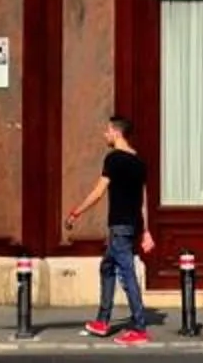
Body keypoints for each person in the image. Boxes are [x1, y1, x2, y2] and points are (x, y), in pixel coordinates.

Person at [62, 113, 154, 347]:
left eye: (107, 130)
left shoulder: (113, 159)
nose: (105, 134)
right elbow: (144, 199)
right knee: (108, 267)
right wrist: (146, 231)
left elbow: (99, 192)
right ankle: (103, 321)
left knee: (127, 274)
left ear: (116, 132)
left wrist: (75, 212)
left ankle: (139, 327)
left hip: (120, 226)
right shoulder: (139, 162)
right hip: (131, 225)